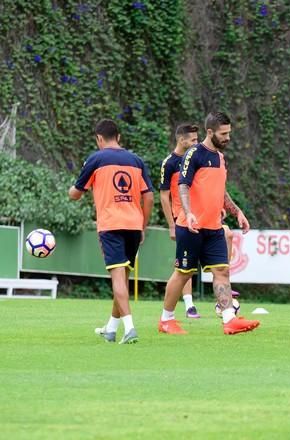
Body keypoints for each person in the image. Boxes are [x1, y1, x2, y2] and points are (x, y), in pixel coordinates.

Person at [158, 112, 260, 335]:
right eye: (224, 134)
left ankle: (229, 319)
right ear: (210, 132)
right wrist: (188, 213)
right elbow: (183, 186)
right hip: (191, 226)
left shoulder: (221, 158)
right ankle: (166, 320)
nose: (228, 138)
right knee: (183, 273)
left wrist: (238, 212)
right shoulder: (194, 154)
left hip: (213, 227)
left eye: (229, 133)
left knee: (222, 270)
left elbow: (221, 191)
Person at [69, 119, 154, 344]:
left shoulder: (96, 159)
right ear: (119, 137)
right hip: (134, 225)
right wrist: (143, 226)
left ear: (99, 138)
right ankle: (111, 329)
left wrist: (74, 188)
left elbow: (75, 194)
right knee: (123, 279)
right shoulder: (136, 160)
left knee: (117, 278)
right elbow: (149, 196)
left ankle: (130, 329)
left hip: (111, 225)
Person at [160, 123, 200, 318]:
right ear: (181, 140)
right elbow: (163, 195)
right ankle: (187, 305)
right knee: (185, 264)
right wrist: (171, 225)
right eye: (193, 140)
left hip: (197, 215)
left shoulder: (196, 158)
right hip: (180, 218)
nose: (196, 143)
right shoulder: (169, 163)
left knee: (188, 263)